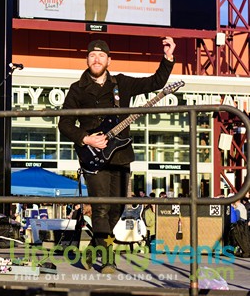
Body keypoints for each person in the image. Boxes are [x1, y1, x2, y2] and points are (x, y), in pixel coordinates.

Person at [58, 37, 176, 274]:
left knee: (118, 209)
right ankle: (108, 259)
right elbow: (65, 123)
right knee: (101, 208)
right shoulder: (77, 89)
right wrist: (87, 138)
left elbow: (156, 82)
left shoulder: (122, 83)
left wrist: (168, 57)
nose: (97, 59)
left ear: (109, 60)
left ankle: (92, 250)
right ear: (87, 59)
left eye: (101, 55)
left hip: (121, 155)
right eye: (92, 55)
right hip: (93, 157)